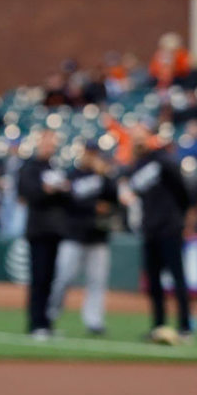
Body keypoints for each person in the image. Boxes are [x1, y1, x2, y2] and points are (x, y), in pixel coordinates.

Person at [124, 123, 193, 342]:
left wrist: (179, 216)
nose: (137, 140)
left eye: (141, 136)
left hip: (170, 228)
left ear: (150, 137)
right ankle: (158, 325)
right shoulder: (135, 166)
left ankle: (185, 327)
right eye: (134, 137)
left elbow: (182, 191)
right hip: (149, 229)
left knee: (177, 278)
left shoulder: (163, 160)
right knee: (153, 282)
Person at [47, 141, 118, 335]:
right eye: (89, 152)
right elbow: (68, 201)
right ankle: (50, 316)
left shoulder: (105, 175)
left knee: (97, 281)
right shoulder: (73, 175)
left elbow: (114, 197)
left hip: (98, 237)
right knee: (63, 278)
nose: (91, 156)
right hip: (74, 235)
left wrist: (105, 174)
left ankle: (94, 321)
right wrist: (92, 207)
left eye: (94, 153)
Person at [16, 130, 70, 339]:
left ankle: (46, 323)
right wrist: (46, 190)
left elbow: (67, 194)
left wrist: (58, 190)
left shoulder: (55, 168)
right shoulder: (30, 168)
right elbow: (27, 193)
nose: (49, 148)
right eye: (46, 144)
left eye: (52, 144)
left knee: (50, 279)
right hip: (38, 230)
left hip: (55, 230)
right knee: (39, 279)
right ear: (39, 145)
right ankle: (36, 323)